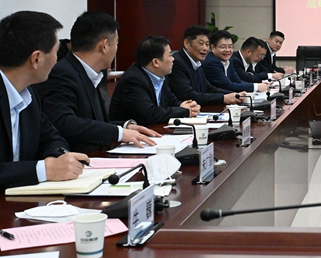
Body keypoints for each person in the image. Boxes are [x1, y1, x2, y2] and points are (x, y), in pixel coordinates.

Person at [40, 11, 160, 153]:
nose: (116, 49)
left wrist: (125, 127)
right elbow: (63, 122)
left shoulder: (93, 73)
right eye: (116, 43)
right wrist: (118, 133)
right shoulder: (63, 73)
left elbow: (95, 121)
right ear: (104, 46)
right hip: (78, 158)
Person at [0, 11, 90, 190]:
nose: (57, 60)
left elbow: (51, 137)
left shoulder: (29, 96)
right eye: (56, 52)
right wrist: (44, 170)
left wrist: (55, 157)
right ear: (36, 59)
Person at [109, 36, 200, 125]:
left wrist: (187, 106)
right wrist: (183, 111)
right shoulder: (133, 80)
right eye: (170, 55)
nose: (173, 59)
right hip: (132, 132)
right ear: (156, 62)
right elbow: (149, 114)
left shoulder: (161, 76)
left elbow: (171, 102)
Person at [168, 25, 244, 106]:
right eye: (201, 44)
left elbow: (208, 88)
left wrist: (234, 95)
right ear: (187, 43)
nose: (205, 48)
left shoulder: (197, 62)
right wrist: (223, 98)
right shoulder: (177, 63)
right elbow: (188, 95)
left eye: (207, 44)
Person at [202, 30, 268, 93]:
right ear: (213, 47)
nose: (227, 50)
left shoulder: (229, 60)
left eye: (230, 47)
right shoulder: (212, 62)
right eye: (223, 47)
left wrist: (257, 86)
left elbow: (237, 80)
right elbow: (228, 86)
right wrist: (256, 87)